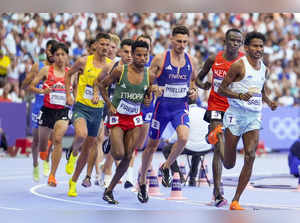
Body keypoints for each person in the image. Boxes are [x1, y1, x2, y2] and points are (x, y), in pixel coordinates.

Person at [137, 25, 198, 203]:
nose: (181, 45)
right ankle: (142, 181)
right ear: (171, 40)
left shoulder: (191, 60)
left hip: (180, 106)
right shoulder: (161, 59)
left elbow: (192, 80)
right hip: (162, 108)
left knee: (184, 138)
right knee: (152, 146)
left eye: (185, 41)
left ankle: (166, 166)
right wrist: (152, 88)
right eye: (178, 41)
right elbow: (146, 82)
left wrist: (193, 91)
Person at [218, 31, 278, 210]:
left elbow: (261, 90)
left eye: (261, 46)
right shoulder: (238, 66)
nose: (258, 49)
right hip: (235, 115)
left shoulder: (264, 68)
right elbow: (221, 89)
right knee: (229, 164)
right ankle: (218, 138)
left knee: (251, 155)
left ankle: (236, 200)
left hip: (253, 116)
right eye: (255, 46)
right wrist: (238, 95)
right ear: (246, 47)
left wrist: (269, 101)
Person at [98, 40, 152, 204]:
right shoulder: (120, 71)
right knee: (119, 154)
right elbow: (102, 85)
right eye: (139, 55)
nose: (142, 58)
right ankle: (109, 143)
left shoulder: (149, 75)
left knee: (128, 156)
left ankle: (109, 190)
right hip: (118, 116)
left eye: (145, 55)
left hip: (135, 118)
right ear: (133, 55)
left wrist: (148, 99)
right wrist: (108, 104)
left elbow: (147, 97)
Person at [195, 28, 244, 207]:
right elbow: (198, 80)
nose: (235, 43)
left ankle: (217, 188)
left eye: (239, 41)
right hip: (215, 107)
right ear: (226, 40)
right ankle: (217, 191)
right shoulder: (213, 59)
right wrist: (205, 84)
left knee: (222, 151)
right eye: (232, 40)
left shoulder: (244, 62)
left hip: (234, 110)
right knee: (218, 143)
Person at [65, 32, 112, 197]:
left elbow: (108, 85)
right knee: (81, 134)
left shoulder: (111, 65)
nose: (105, 47)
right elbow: (68, 74)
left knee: (88, 150)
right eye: (102, 44)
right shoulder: (84, 61)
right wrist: (69, 94)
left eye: (108, 45)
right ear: (97, 45)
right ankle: (72, 153)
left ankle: (73, 182)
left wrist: (102, 95)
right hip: (81, 107)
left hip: (97, 110)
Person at [83, 38, 134, 188]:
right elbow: (97, 81)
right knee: (99, 139)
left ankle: (113, 172)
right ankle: (99, 174)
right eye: (107, 46)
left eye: (112, 47)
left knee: (121, 144)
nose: (109, 49)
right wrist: (96, 93)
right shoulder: (111, 66)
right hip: (107, 106)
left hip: (126, 109)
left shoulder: (135, 67)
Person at [29, 42, 71, 187]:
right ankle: (44, 150)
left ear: (67, 56)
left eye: (63, 54)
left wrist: (73, 97)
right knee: (42, 146)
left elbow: (76, 89)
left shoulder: (70, 72)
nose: (60, 57)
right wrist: (42, 91)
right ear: (53, 56)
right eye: (57, 54)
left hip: (62, 111)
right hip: (46, 110)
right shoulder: (46, 70)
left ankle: (52, 175)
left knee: (58, 139)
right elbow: (32, 86)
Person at [22, 39, 57, 182]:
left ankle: (46, 161)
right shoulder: (39, 66)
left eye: (53, 51)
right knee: (37, 139)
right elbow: (26, 85)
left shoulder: (60, 68)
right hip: (39, 106)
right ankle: (36, 165)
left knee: (54, 137)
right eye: (49, 50)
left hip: (55, 107)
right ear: (46, 51)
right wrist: (31, 81)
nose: (51, 53)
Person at [162, 88, 212, 185]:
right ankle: (192, 178)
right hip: (205, 147)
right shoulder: (204, 111)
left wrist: (169, 140)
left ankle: (178, 176)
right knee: (196, 147)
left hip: (190, 146)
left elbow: (179, 136)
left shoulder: (184, 114)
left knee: (167, 149)